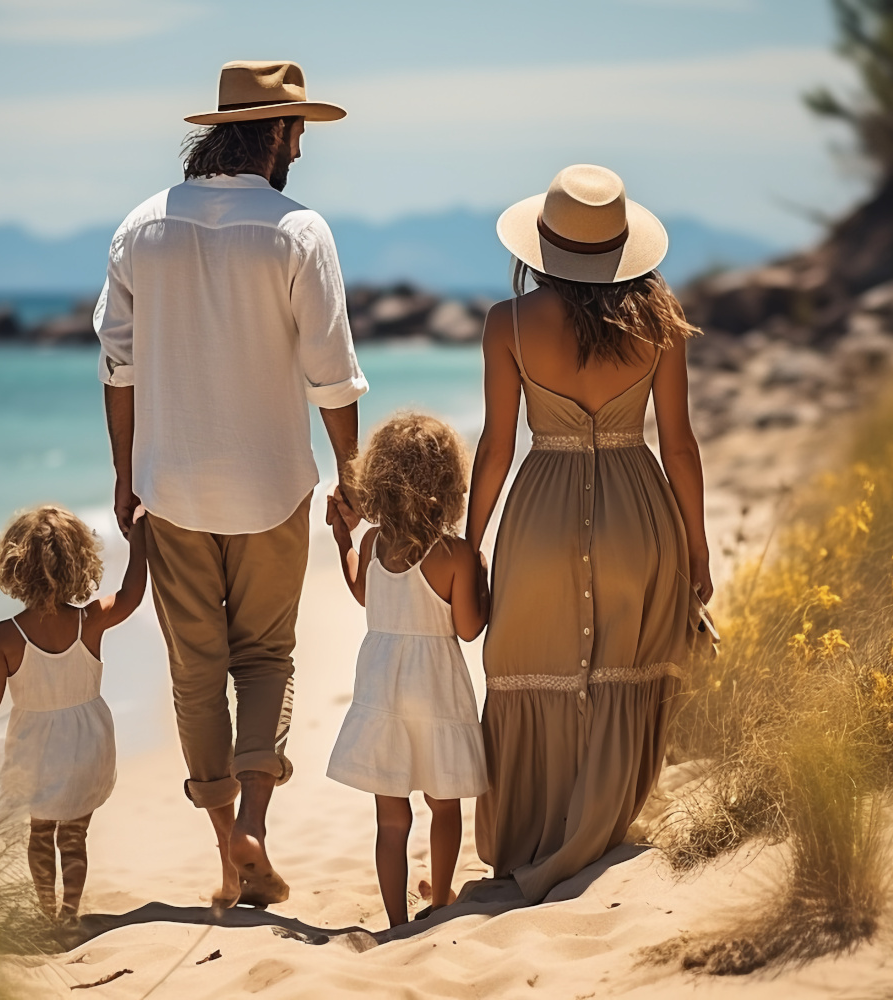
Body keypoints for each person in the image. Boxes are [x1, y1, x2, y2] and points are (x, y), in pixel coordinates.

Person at [94, 60, 368, 908]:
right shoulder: (297, 231)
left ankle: (227, 846)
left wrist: (123, 474)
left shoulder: (141, 227)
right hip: (272, 485)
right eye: (299, 133)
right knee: (266, 657)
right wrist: (349, 477)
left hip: (170, 488)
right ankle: (251, 827)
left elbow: (118, 364)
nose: (302, 149)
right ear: (279, 135)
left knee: (194, 672)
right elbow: (333, 374)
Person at [466, 164, 711, 904]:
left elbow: (496, 448)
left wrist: (468, 541)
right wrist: (697, 548)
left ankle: (534, 839)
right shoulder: (660, 325)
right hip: (641, 515)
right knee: (622, 674)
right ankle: (601, 829)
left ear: (542, 246)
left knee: (528, 669)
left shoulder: (507, 325)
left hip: (538, 513)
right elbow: (680, 447)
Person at [326, 414, 490, 927]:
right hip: (436, 687)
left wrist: (343, 539)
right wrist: (483, 576)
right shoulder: (454, 554)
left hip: (384, 686)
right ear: (449, 484)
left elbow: (362, 592)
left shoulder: (374, 542)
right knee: (444, 805)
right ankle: (440, 900)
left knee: (392, 818)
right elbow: (467, 629)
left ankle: (397, 918)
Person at [0, 505, 147, 922]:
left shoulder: (6, 635)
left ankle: (47, 914)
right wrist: (140, 539)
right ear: (79, 562)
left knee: (40, 834)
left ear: (14, 568)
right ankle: (71, 914)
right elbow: (132, 595)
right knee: (75, 836)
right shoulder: (89, 620)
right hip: (87, 743)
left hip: (34, 746)